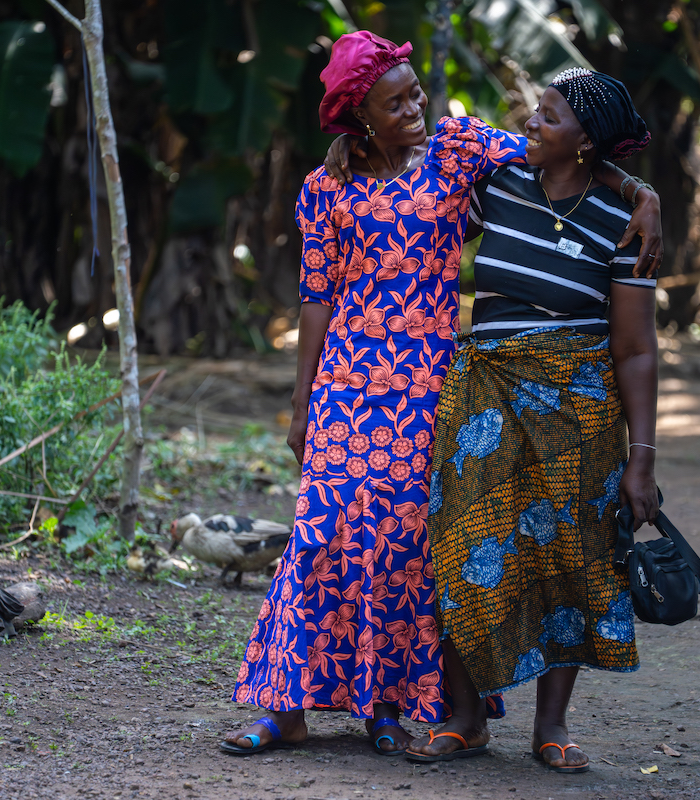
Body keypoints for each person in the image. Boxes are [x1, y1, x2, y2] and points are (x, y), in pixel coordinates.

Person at [221, 32, 661, 758]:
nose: (417, 107)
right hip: (347, 378)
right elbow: (313, 297)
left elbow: (566, 155)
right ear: (359, 115)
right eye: (396, 103)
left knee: (407, 544)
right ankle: (287, 703)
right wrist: (301, 403)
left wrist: (639, 192)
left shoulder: (459, 156)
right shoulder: (323, 189)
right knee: (319, 532)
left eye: (416, 92)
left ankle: (390, 703)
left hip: (430, 379)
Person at [403, 67, 660, 772]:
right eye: (535, 111)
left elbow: (635, 350)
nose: (530, 124)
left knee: (569, 560)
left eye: (548, 117)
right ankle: (465, 718)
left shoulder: (623, 225)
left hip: (577, 410)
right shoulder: (499, 185)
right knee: (456, 547)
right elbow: (414, 152)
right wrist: (345, 142)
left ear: (584, 142)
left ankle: (552, 728)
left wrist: (642, 456)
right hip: (483, 394)